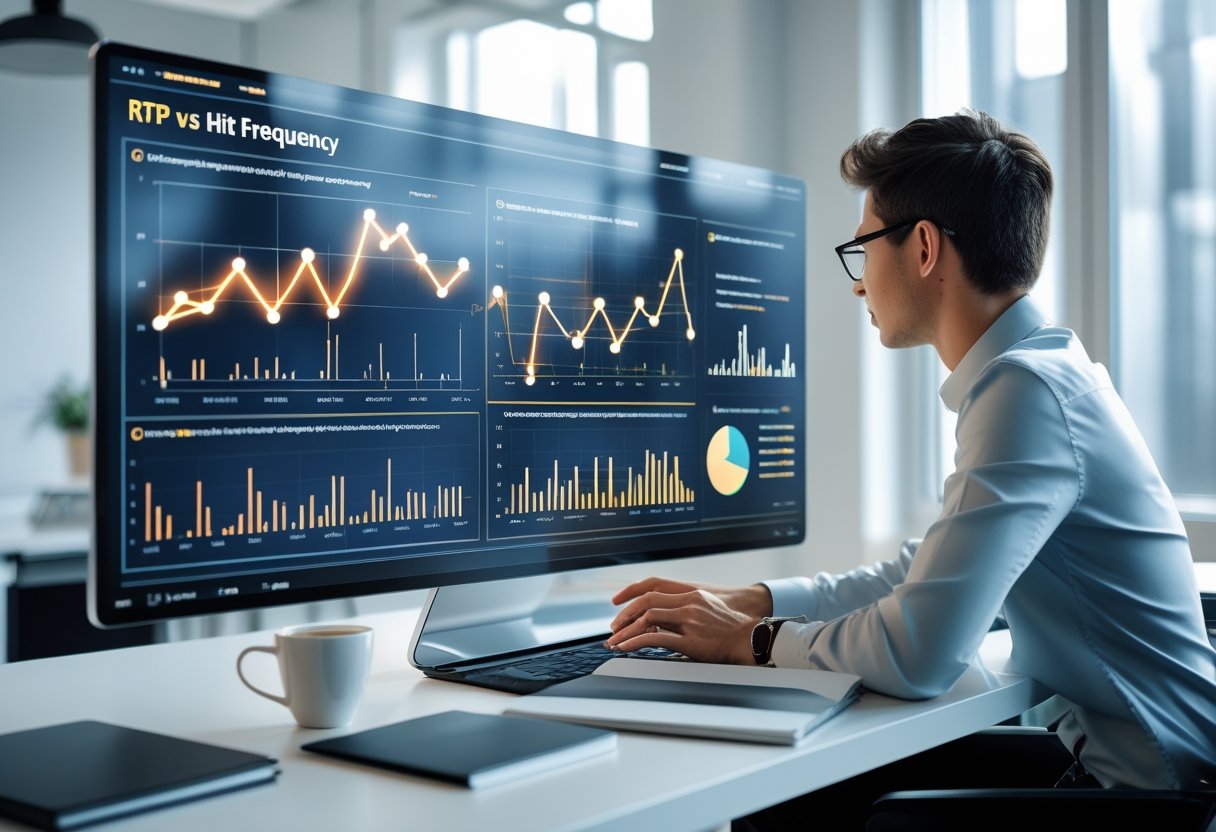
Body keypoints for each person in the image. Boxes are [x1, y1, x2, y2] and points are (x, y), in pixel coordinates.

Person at [604, 110, 1216, 826]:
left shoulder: (1025, 395)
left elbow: (920, 652)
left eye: (863, 247)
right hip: (1130, 765)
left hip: (1157, 799)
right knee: (805, 788)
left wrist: (747, 643)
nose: (859, 282)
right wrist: (761, 601)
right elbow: (921, 575)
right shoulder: (1043, 371)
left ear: (924, 247)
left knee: (803, 803)